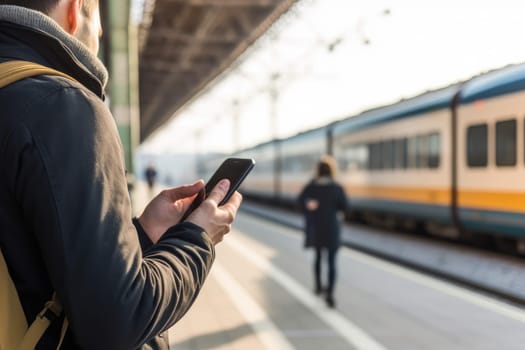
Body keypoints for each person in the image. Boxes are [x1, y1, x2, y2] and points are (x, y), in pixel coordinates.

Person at [0, 1, 242, 349]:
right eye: (99, 15)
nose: (99, 31)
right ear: (75, 8)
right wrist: (197, 239)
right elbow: (118, 322)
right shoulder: (65, 105)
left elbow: (33, 262)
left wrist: (141, 235)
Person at [298, 155, 348, 308]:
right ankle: (330, 295)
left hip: (317, 228)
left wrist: (309, 205)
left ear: (318, 171)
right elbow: (345, 207)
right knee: (332, 262)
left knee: (318, 258)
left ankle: (318, 287)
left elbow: (300, 202)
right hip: (332, 228)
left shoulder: (312, 186)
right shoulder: (337, 187)